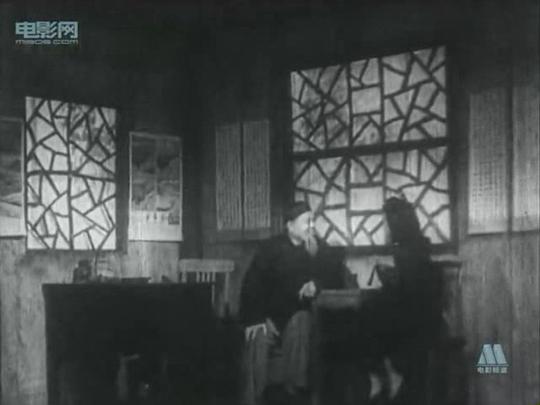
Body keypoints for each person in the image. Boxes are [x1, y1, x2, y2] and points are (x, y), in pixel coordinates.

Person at [239, 201, 347, 405]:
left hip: (297, 318)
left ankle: (294, 394)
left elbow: (336, 277)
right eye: (306, 221)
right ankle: (252, 400)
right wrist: (257, 318)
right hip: (269, 318)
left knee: (302, 321)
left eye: (312, 221)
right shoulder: (270, 248)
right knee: (256, 336)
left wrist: (316, 284)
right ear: (290, 226)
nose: (311, 226)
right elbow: (252, 284)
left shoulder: (317, 247)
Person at [358, 197, 443, 405]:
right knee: (371, 309)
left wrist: (388, 278)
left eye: (386, 223)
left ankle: (383, 373)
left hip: (419, 320)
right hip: (418, 315)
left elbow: (410, 291)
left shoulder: (408, 250)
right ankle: (383, 373)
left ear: (397, 223)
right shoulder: (417, 246)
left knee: (367, 311)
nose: (385, 229)